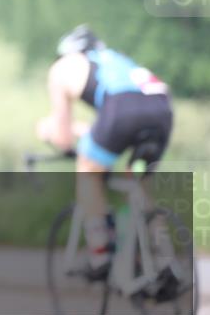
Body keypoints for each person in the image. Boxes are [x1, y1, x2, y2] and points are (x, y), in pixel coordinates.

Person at [36, 24, 173, 278]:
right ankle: (166, 259)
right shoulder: (115, 60)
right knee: (140, 185)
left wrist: (48, 130)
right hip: (161, 107)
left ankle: (100, 252)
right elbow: (111, 122)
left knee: (88, 171)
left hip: (120, 110)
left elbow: (64, 138)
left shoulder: (62, 67)